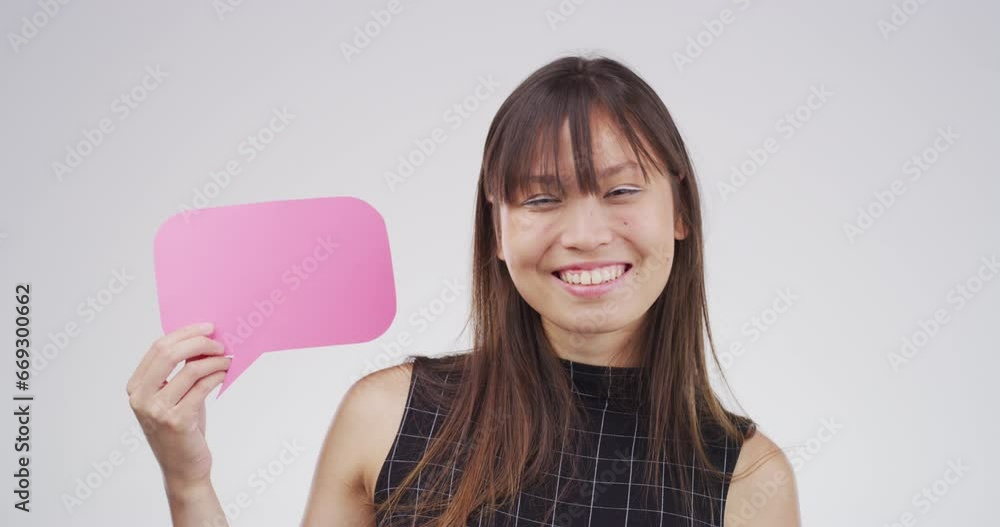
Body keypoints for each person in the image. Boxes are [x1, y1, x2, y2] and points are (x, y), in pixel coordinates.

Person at [127, 54, 801, 526]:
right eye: (541, 197)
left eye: (621, 189)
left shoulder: (749, 478)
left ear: (680, 211)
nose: (586, 233)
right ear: (497, 232)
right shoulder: (388, 415)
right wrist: (187, 479)